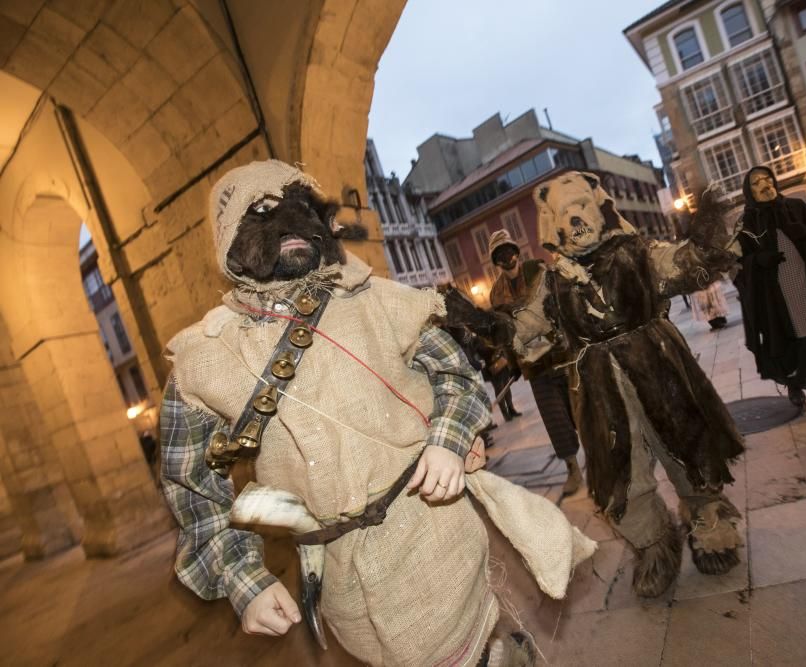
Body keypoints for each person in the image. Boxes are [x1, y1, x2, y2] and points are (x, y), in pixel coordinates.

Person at [160, 160, 595, 667]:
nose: (292, 225)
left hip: (430, 525)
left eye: (305, 210)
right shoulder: (204, 358)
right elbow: (190, 483)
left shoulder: (385, 302)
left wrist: (448, 440)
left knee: (454, 648)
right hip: (337, 571)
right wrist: (244, 580)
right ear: (229, 236)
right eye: (264, 213)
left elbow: (456, 374)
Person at [450, 173, 746, 598]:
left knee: (688, 449)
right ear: (552, 225)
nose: (575, 222)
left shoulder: (636, 253)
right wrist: (478, 320)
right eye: (564, 215)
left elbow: (685, 266)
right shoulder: (554, 283)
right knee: (622, 473)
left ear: (600, 209)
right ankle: (654, 545)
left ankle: (709, 524)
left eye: (581, 209)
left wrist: (706, 235)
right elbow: (522, 328)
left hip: (658, 364)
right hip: (600, 384)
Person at [734, 166, 806, 419]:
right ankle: (794, 386)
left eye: (767, 178)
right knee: (786, 342)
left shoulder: (796, 208)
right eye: (756, 182)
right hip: (774, 297)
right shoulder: (747, 223)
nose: (764, 184)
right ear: (749, 190)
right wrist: (759, 260)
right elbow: (738, 264)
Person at [487, 229, 583, 496]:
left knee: (581, 409)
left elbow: (561, 302)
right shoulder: (496, 295)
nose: (508, 259)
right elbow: (505, 334)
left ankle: (599, 456)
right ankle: (572, 467)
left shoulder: (537, 270)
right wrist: (513, 364)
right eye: (500, 256)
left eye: (510, 252)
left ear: (517, 252)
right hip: (536, 368)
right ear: (495, 262)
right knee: (555, 420)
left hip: (563, 355)